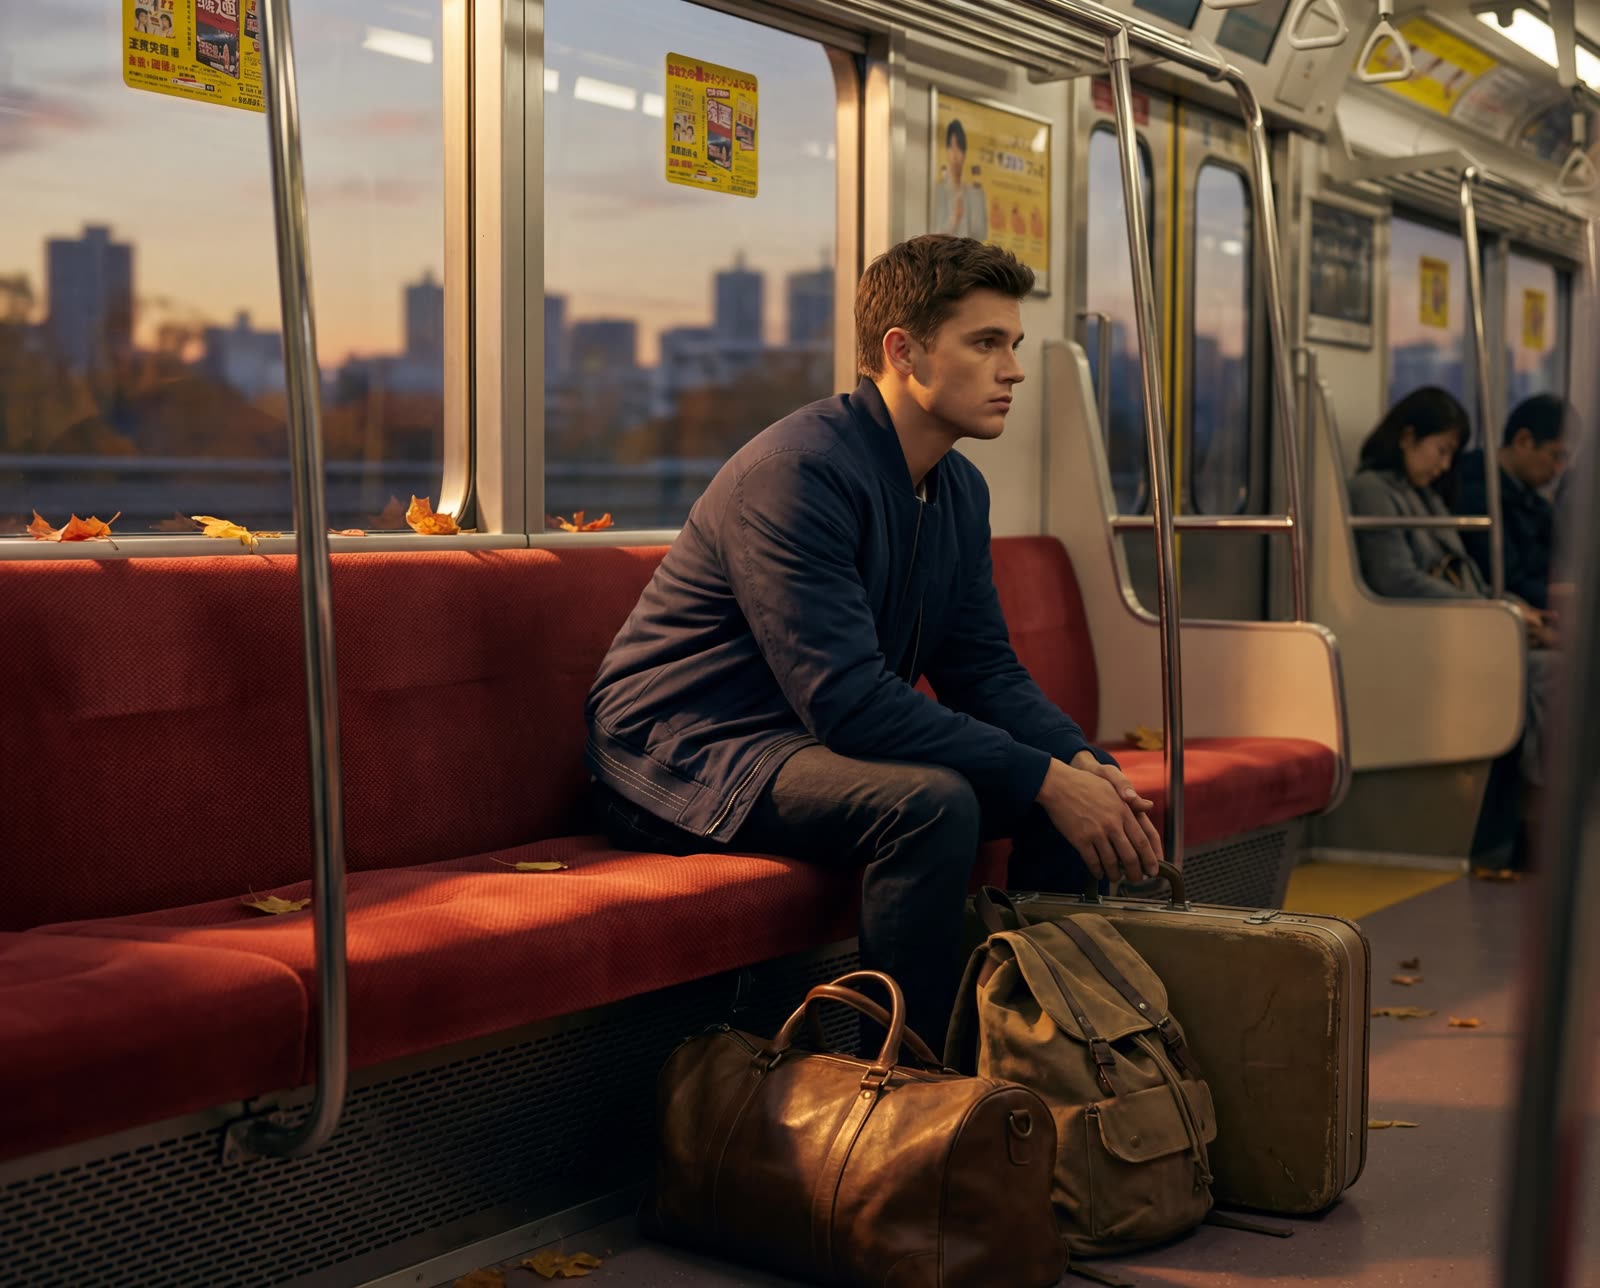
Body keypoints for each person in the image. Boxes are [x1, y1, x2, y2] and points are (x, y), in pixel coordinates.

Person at [586, 235, 1159, 1045]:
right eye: (986, 343)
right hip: (680, 753)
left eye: (1014, 346)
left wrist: (1078, 764)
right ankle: (904, 1087)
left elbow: (982, 669)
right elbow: (848, 703)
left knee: (1061, 796)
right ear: (903, 351)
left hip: (795, 741)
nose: (1015, 371)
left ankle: (1038, 1055)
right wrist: (1042, 775)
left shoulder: (957, 491)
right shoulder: (797, 473)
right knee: (930, 805)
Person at [1348, 386, 1553, 863]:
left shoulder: (1425, 496)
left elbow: (1469, 574)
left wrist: (1515, 608)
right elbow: (1397, 579)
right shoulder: (1373, 488)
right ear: (1407, 436)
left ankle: (1529, 817)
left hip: (1464, 622)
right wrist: (1493, 615)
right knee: (1545, 674)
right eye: (1440, 450)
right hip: (1423, 631)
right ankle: (1530, 822)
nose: (1444, 466)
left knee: (1554, 663)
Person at [1453, 393, 1572, 612]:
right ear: (1523, 441)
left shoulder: (1532, 500)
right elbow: (1507, 580)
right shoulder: (1475, 494)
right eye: (1555, 456)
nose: (1558, 470)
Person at [932, 120, 989, 242]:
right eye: (952, 147)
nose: (955, 154)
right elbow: (933, 234)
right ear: (947, 151)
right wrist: (955, 219)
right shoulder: (939, 190)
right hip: (944, 257)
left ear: (964, 153)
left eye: (959, 148)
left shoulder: (974, 193)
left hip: (970, 257)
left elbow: (982, 234)